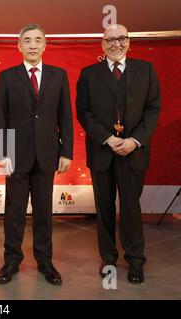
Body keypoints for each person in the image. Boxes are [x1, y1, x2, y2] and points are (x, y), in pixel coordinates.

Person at [76, 24, 161, 284]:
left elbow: (153, 109)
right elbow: (84, 112)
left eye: (121, 38)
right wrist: (107, 138)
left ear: (129, 42)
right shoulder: (89, 74)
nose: (116, 43)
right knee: (103, 208)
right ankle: (109, 258)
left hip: (133, 153)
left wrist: (134, 141)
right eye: (110, 39)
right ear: (102, 45)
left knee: (131, 208)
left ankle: (135, 260)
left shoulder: (145, 70)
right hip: (102, 152)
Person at [0, 24, 73, 286]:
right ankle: (11, 260)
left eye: (38, 40)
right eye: (27, 40)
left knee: (43, 211)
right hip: (15, 155)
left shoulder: (58, 76)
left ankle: (45, 261)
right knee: (14, 211)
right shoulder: (7, 76)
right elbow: (1, 117)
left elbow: (65, 117)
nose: (32, 45)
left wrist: (67, 152)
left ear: (45, 45)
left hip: (48, 154)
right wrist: (2, 152)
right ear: (19, 46)